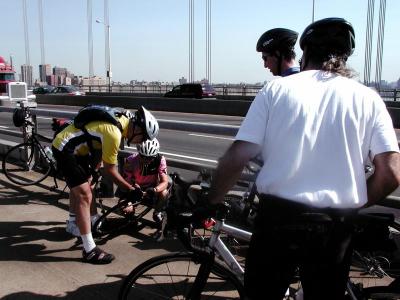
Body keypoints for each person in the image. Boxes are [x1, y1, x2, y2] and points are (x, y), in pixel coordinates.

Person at [207, 18, 400, 300]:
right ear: (345, 57)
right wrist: (354, 202)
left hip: (277, 222)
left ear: (305, 52)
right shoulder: (369, 99)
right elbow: (391, 173)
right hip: (333, 228)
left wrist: (210, 201)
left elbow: (237, 157)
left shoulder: (276, 90)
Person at [52, 106, 159, 264]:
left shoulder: (122, 120)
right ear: (137, 130)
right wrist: (129, 189)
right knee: (84, 194)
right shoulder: (115, 132)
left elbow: (98, 146)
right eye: (143, 138)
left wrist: (94, 171)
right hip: (65, 148)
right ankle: (89, 250)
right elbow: (110, 170)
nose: (141, 143)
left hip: (78, 148)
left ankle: (73, 224)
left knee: (85, 187)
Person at [122, 138, 169, 230]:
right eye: (143, 156)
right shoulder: (130, 160)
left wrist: (155, 189)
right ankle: (131, 218)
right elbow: (126, 181)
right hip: (135, 188)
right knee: (127, 209)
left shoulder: (160, 159)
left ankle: (157, 212)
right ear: (139, 152)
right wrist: (133, 187)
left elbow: (165, 181)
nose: (147, 160)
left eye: (151, 157)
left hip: (151, 188)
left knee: (164, 193)